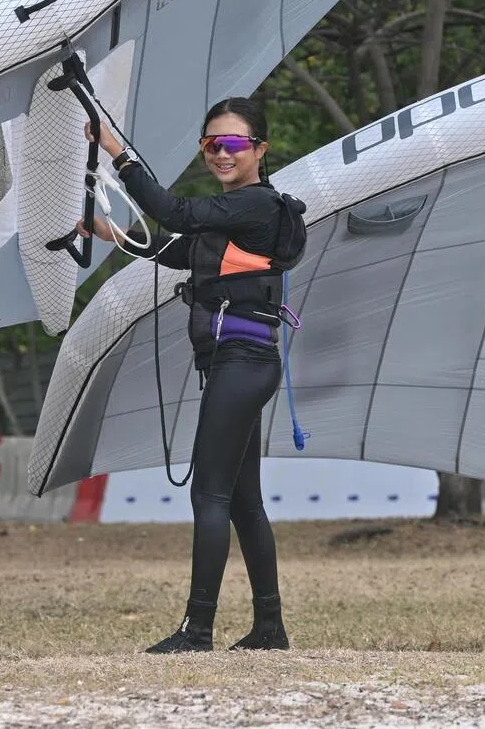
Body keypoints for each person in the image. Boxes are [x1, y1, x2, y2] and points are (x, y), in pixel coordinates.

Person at [79, 96, 305, 654]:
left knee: (209, 495)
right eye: (210, 145)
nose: (221, 154)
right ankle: (270, 628)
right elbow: (180, 249)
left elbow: (176, 213)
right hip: (239, 365)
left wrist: (114, 148)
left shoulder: (256, 205)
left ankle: (197, 629)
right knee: (243, 499)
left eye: (232, 144)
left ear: (260, 150)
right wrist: (110, 233)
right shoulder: (234, 217)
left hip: (242, 365)